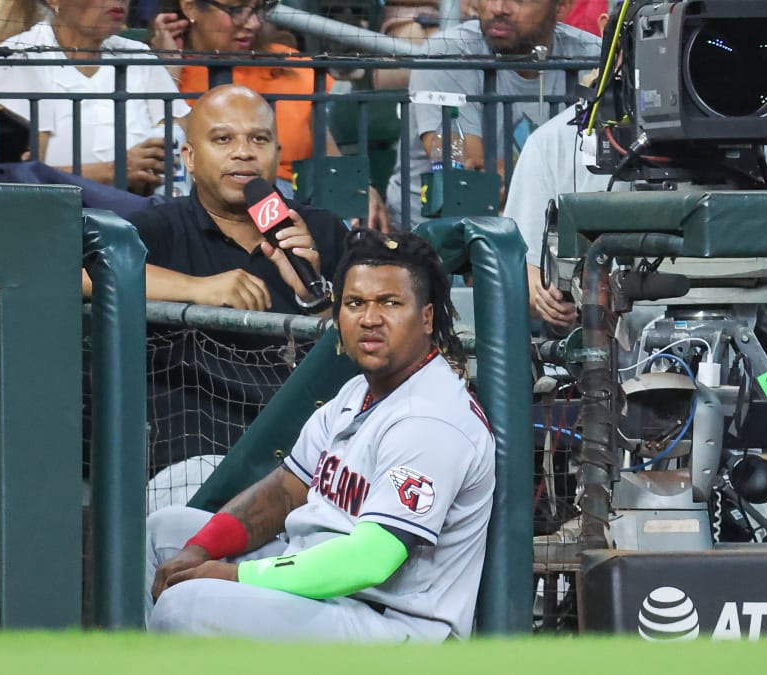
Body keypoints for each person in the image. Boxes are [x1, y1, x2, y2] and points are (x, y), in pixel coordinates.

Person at [145, 228, 495, 642]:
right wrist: (202, 548)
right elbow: (285, 490)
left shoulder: (431, 420)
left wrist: (237, 575)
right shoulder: (358, 391)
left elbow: (371, 560)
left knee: (187, 604)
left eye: (390, 303)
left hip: (395, 626)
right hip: (327, 594)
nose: (369, 318)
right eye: (355, 303)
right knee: (165, 533)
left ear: (426, 318)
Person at [504, 9, 767, 335]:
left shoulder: (751, 139)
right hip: (606, 364)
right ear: (611, 31)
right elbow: (522, 271)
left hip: (738, 348)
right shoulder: (557, 142)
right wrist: (544, 297)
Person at [121, 84, 350, 479]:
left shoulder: (321, 230)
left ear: (277, 154)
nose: (243, 151)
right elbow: (80, 274)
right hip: (195, 454)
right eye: (223, 139)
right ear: (189, 158)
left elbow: (364, 339)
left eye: (258, 139)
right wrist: (196, 290)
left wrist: (315, 297)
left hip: (311, 453)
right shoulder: (159, 226)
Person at [149, 0, 387, 228]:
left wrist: (362, 190)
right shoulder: (160, 72)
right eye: (237, 9)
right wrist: (168, 73)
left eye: (258, 8)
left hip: (297, 204)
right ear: (190, 6)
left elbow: (331, 160)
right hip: (208, 210)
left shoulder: (288, 65)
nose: (253, 23)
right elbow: (167, 157)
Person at [385, 0, 600, 230]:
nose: (498, 8)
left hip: (544, 230)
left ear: (561, 7)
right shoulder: (447, 54)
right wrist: (557, 175)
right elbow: (475, 180)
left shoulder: (594, 57)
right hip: (436, 236)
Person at [0, 0, 190, 195]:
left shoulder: (138, 55)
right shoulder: (21, 58)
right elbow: (22, 177)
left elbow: (183, 139)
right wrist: (113, 171)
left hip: (149, 211)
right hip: (64, 216)